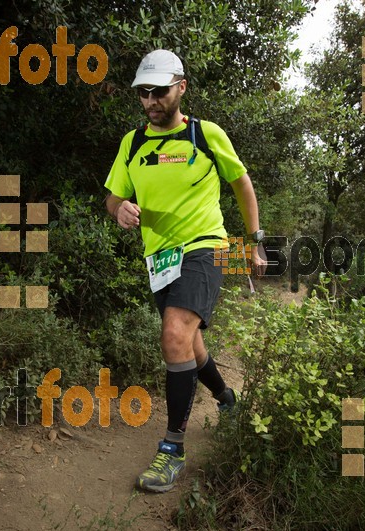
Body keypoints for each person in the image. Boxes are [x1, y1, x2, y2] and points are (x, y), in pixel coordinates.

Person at [104, 49, 266, 493]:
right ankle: (224, 396)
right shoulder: (132, 143)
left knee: (175, 332)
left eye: (159, 90)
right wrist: (120, 210)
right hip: (159, 258)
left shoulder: (206, 135)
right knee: (189, 341)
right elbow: (113, 197)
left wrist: (253, 241)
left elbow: (241, 183)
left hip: (207, 248)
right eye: (143, 92)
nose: (151, 99)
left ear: (181, 88)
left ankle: (172, 446)